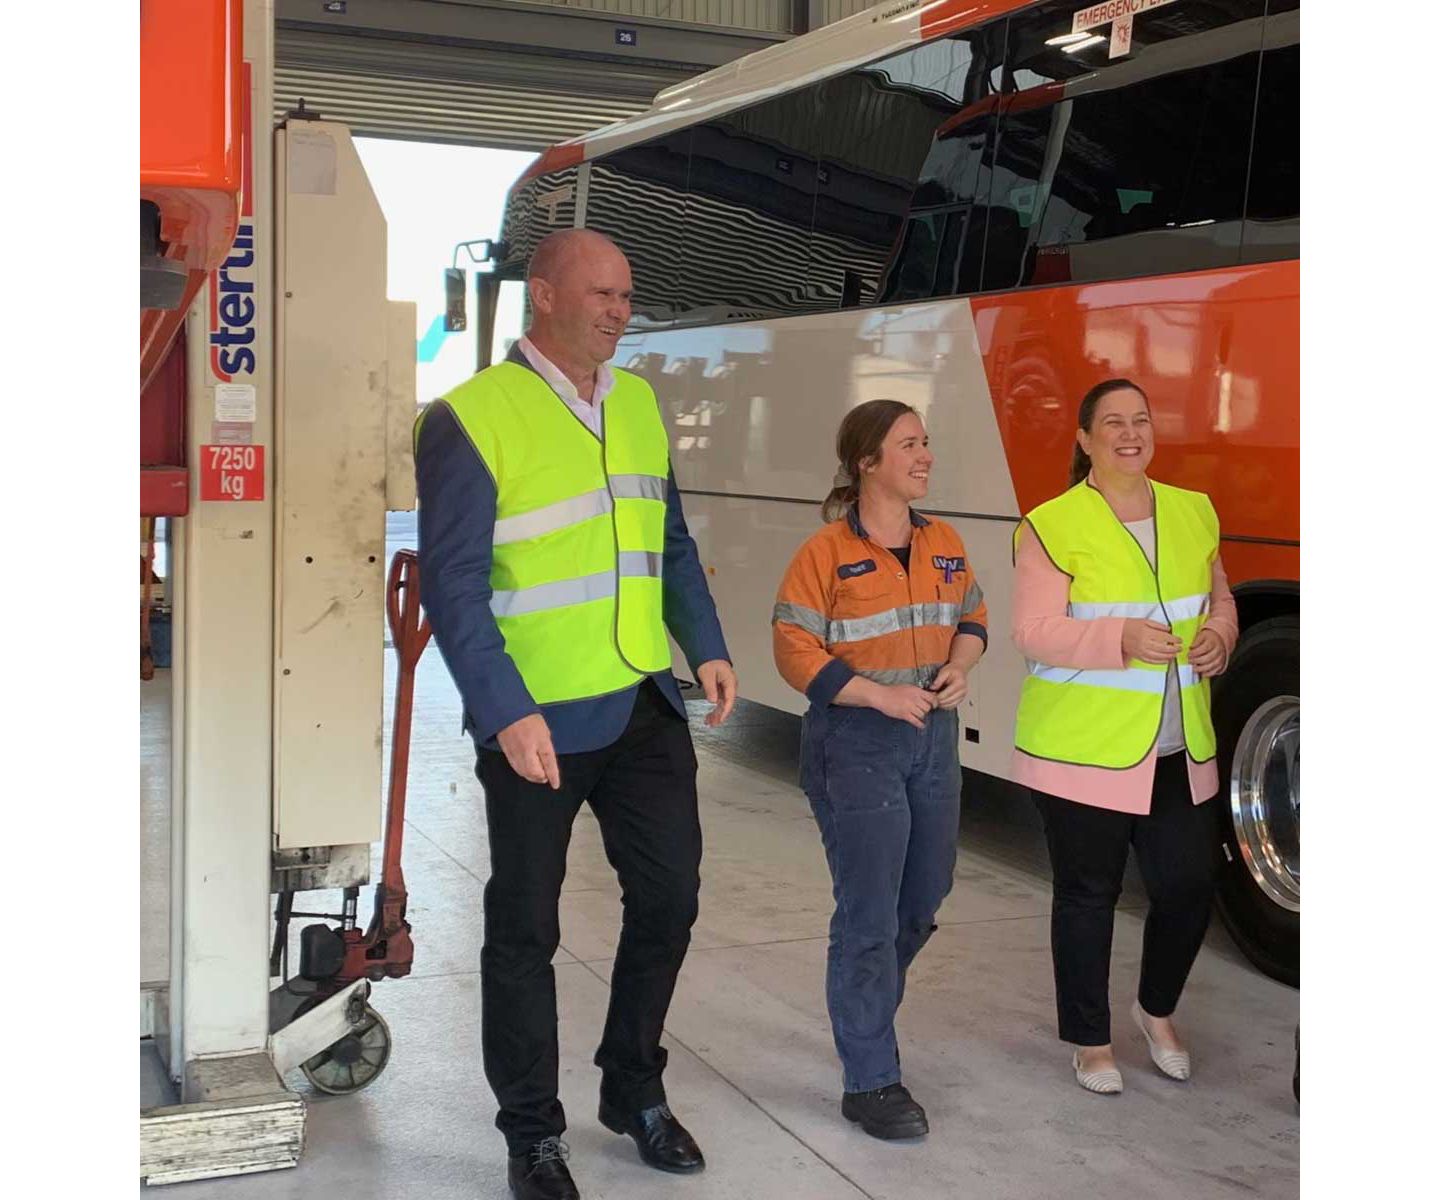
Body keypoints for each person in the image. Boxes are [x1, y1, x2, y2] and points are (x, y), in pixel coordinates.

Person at [415, 228, 738, 1200]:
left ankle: (632, 1089)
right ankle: (533, 1134)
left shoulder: (637, 402)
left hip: (642, 698)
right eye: (602, 293)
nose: (620, 311)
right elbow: (454, 586)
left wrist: (706, 644)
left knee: (670, 900)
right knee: (524, 930)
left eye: (627, 295)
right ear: (545, 296)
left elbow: (669, 543)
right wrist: (502, 710)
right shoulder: (471, 417)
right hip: (537, 719)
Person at [1010, 378, 1239, 1095]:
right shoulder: (1050, 524)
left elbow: (1220, 597)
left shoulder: (1193, 509)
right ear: (1085, 439)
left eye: (1140, 420)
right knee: (1087, 896)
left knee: (1189, 886)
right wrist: (1121, 638)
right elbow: (1033, 631)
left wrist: (1222, 635)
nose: (1130, 433)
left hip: (1177, 748)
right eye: (1112, 422)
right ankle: (1090, 1040)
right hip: (1081, 750)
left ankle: (1155, 1010)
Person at [771, 400, 987, 1140]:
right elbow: (793, 648)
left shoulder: (945, 541)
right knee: (868, 912)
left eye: (926, 442)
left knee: (924, 896)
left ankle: (861, 1013)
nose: (925, 456)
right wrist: (876, 695)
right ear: (866, 461)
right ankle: (870, 1079)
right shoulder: (825, 552)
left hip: (933, 738)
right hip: (856, 742)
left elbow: (973, 618)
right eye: (908, 445)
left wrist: (960, 666)